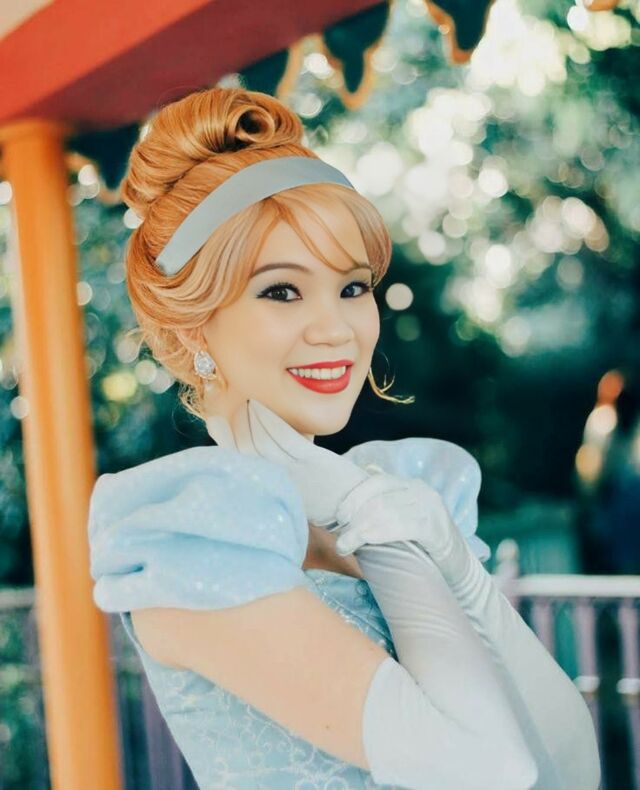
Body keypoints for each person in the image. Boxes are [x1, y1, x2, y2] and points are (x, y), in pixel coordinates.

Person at [87, 87, 601, 789]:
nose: (336, 329)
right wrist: (393, 547)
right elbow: (493, 769)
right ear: (194, 327)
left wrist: (459, 572)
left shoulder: (386, 494)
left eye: (353, 288)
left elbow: (572, 769)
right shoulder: (197, 543)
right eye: (281, 291)